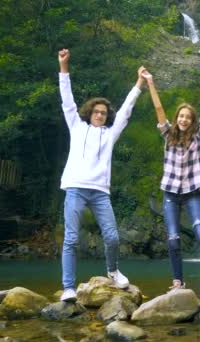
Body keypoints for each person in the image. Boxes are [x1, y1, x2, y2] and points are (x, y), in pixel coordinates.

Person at [57, 49, 145, 302]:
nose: (100, 115)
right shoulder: (76, 125)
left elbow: (127, 109)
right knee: (71, 239)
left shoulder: (110, 134)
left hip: (100, 191)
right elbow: (67, 100)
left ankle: (112, 270)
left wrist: (139, 83)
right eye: (96, 112)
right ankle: (68, 288)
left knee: (113, 236)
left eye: (104, 113)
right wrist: (64, 67)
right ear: (89, 113)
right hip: (75, 187)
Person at [143, 67, 200, 291]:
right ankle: (178, 282)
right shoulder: (167, 134)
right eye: (181, 116)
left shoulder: (197, 136)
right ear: (176, 119)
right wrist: (150, 83)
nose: (184, 119)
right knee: (173, 238)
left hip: (193, 193)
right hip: (171, 194)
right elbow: (158, 107)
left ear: (192, 121)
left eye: (188, 117)